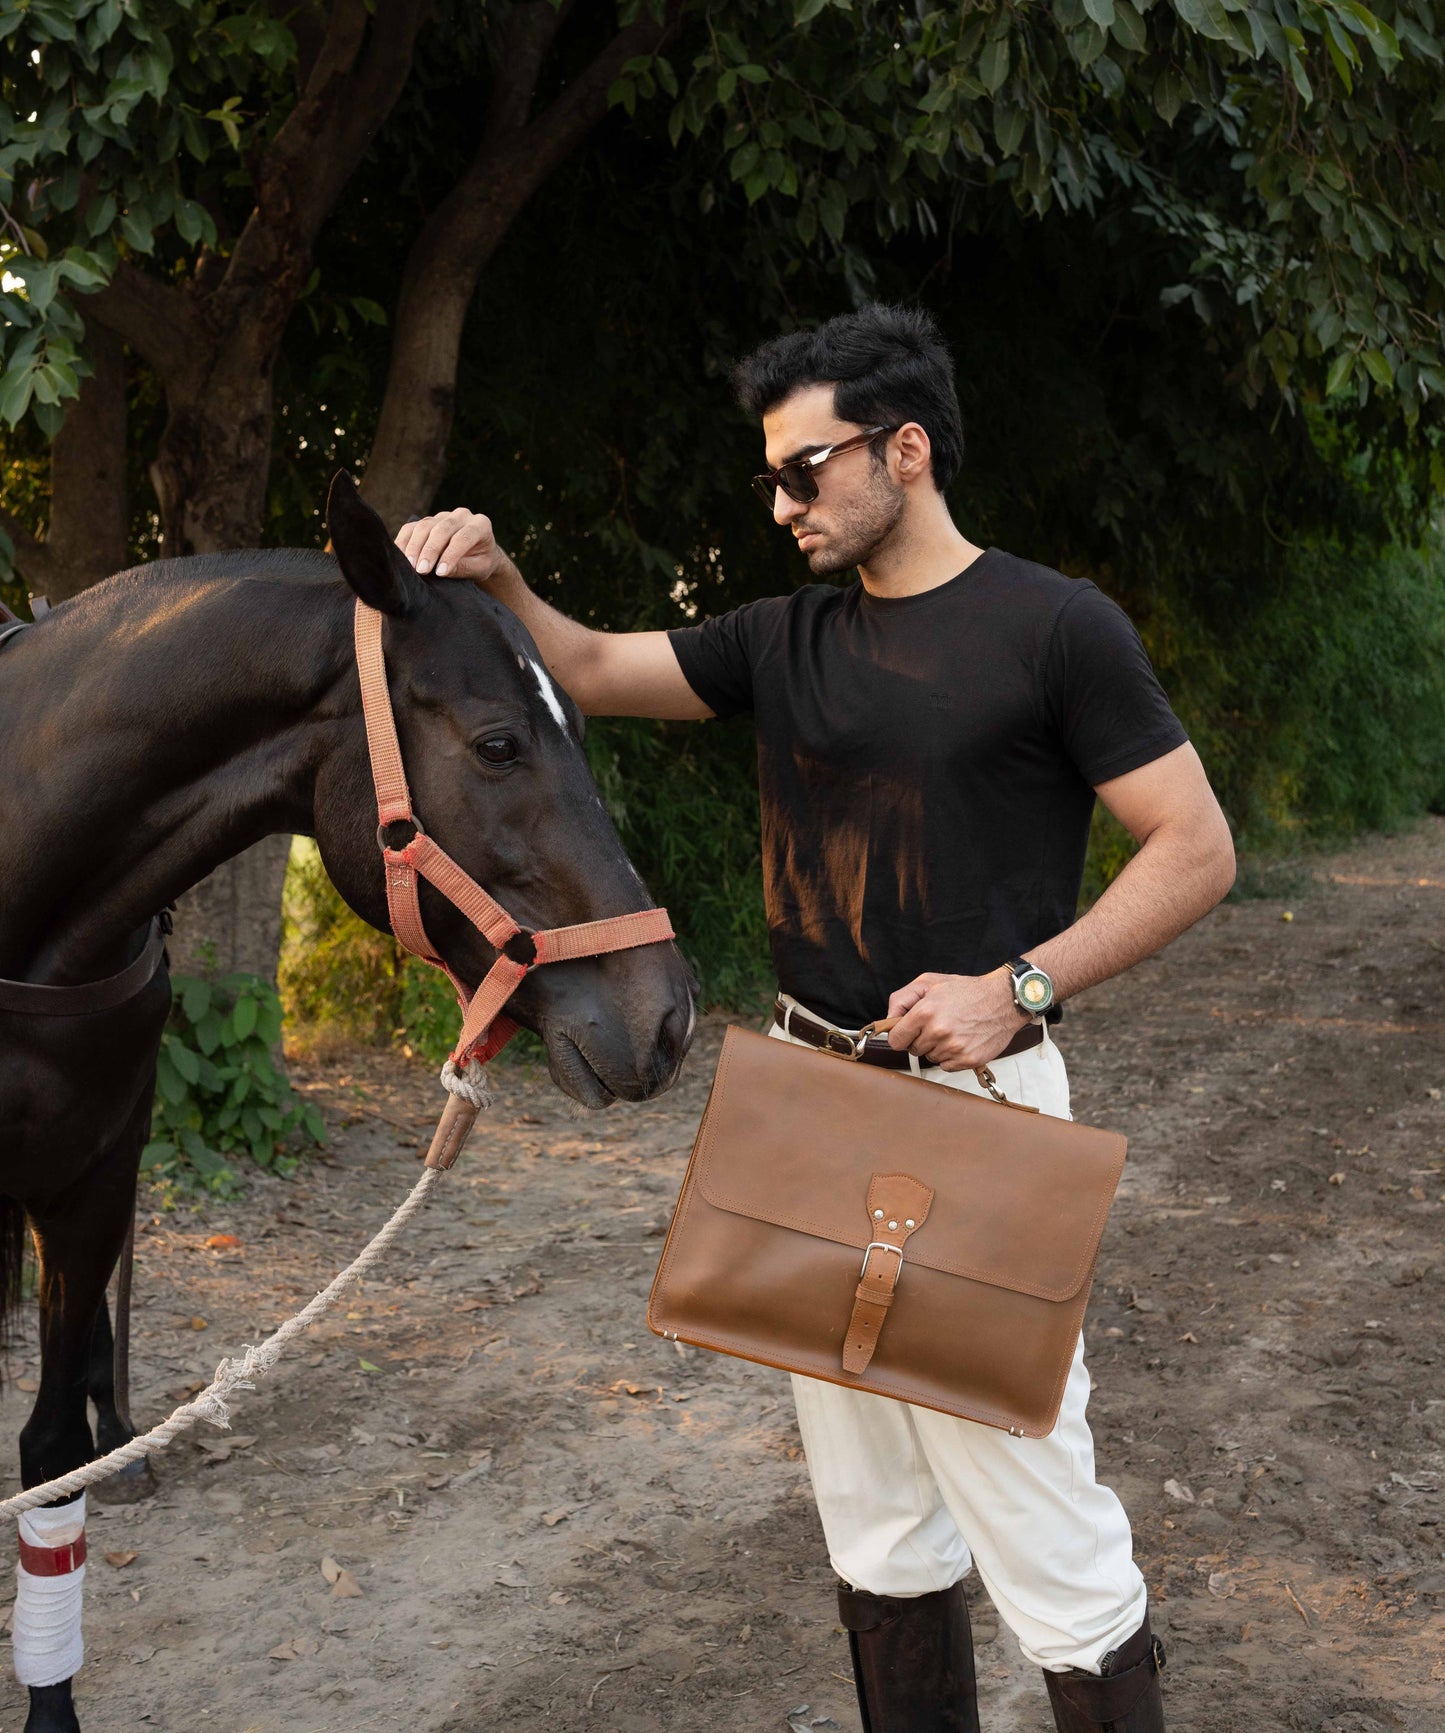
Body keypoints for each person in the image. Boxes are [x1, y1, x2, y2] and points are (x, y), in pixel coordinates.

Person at [397, 304, 1235, 1733]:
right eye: (769, 473)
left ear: (903, 452)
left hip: (977, 1122)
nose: (777, 500)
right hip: (807, 1100)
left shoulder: (1053, 627)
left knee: (1047, 1532)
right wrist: (500, 571)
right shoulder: (777, 638)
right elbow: (590, 669)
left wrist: (1020, 983)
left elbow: (1194, 844)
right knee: (875, 1529)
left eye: (804, 470)